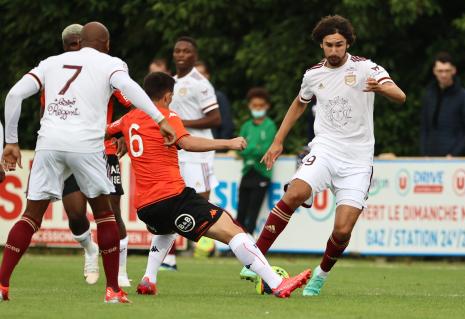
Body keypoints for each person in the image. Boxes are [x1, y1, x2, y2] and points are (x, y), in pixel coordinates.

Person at [0, 21, 176, 303]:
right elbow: (129, 89)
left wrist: (11, 141)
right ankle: (112, 291)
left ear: (80, 42)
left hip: (49, 142)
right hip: (86, 145)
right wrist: (160, 119)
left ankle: (2, 286)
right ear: (106, 44)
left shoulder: (51, 62)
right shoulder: (111, 63)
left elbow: (14, 95)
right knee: (104, 214)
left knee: (30, 215)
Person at [240, 15, 406, 296]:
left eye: (339, 45)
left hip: (357, 160)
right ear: (321, 45)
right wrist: (278, 142)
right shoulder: (313, 74)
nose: (334, 50)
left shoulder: (366, 67)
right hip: (325, 149)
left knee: (342, 230)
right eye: (328, 45)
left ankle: (320, 275)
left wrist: (383, 87)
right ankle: (255, 256)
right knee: (294, 193)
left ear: (348, 44)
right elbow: (298, 105)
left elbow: (400, 95)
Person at [105, 71, 311, 298]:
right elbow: (187, 143)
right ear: (167, 96)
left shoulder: (127, 119)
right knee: (232, 230)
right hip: (171, 197)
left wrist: (118, 139)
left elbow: (102, 132)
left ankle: (148, 280)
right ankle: (276, 282)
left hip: (146, 207)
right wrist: (227, 142)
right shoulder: (167, 115)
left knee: (166, 230)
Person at [40, 24, 132, 287]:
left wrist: (121, 132)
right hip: (70, 151)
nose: (76, 48)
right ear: (65, 47)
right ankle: (90, 249)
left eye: (80, 43)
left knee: (112, 212)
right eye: (71, 44)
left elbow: (132, 101)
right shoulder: (55, 76)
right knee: (76, 213)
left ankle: (121, 273)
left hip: (103, 150)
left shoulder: (105, 72)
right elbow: (45, 114)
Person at [150, 36, 221, 271]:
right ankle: (168, 258)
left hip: (197, 153)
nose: (181, 55)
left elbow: (215, 118)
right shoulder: (169, 82)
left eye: (186, 51)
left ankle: (223, 243)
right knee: (172, 202)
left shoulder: (201, 84)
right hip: (176, 151)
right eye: (177, 51)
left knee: (201, 203)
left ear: (194, 56)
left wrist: (181, 122)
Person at [420, 52, 465, 157]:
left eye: (447, 71)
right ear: (434, 71)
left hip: (454, 162)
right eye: (440, 71)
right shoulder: (429, 96)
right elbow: (424, 127)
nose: (443, 74)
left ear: (454, 70)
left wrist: (454, 154)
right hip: (429, 159)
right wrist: (424, 154)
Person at [236, 87, 276, 234]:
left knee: (253, 211)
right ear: (249, 106)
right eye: (254, 106)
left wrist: (250, 148)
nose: (257, 108)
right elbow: (239, 148)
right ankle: (236, 242)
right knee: (241, 210)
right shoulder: (246, 126)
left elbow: (265, 150)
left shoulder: (270, 125)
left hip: (262, 173)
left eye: (261, 106)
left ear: (266, 106)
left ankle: (248, 243)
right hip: (247, 171)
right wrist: (255, 148)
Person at [195, 60, 234, 141]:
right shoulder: (186, 99)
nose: (198, 78)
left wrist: (220, 146)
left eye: (201, 74)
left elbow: (227, 125)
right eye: (195, 75)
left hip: (213, 147)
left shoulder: (218, 97)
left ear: (207, 76)